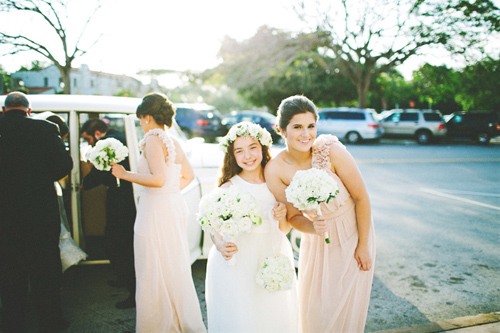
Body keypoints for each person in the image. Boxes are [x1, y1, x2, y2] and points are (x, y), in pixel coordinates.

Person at [265, 95, 376, 332]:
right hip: (317, 242)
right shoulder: (275, 169)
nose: (306, 134)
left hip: (353, 235)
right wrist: (312, 227)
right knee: (316, 314)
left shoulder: (330, 151)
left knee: (345, 311)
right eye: (297, 127)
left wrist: (363, 245)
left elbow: (361, 198)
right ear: (281, 129)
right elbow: (294, 217)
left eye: (311, 126)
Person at [111, 92, 206, 332]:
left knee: (152, 265)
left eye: (141, 119)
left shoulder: (153, 138)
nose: (141, 123)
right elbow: (188, 176)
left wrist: (124, 175)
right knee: (172, 264)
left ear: (147, 117)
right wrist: (170, 193)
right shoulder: (173, 141)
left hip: (155, 209)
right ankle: (175, 319)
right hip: (172, 206)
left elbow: (157, 179)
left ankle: (158, 325)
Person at [205, 122, 299, 332]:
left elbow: (283, 230)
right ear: (232, 155)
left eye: (252, 148)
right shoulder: (229, 186)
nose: (247, 156)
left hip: (269, 255)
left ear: (263, 148)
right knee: (241, 313)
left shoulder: (274, 182)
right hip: (238, 259)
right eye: (239, 151)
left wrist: (281, 216)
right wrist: (220, 244)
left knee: (268, 312)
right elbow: (212, 225)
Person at [0, 92, 73, 332]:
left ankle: (12, 323)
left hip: (5, 216)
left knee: (10, 272)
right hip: (40, 213)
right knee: (45, 271)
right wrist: (41, 179)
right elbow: (64, 165)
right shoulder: (46, 128)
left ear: (4, 110)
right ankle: (50, 321)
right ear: (28, 110)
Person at [81, 118, 137, 309]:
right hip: (123, 200)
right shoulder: (118, 137)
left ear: (97, 133)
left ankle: (133, 292)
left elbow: (100, 174)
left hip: (122, 203)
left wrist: (85, 181)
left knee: (119, 245)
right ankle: (124, 278)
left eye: (88, 139)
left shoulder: (109, 145)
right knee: (120, 244)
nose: (89, 144)